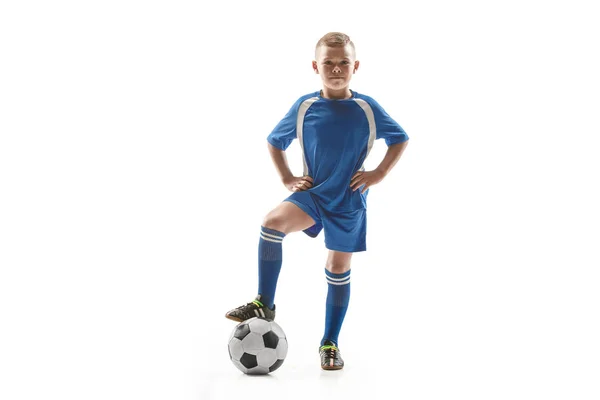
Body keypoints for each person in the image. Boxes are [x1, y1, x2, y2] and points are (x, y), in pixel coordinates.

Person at [225, 32, 409, 370]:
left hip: (348, 202)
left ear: (355, 66)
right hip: (313, 195)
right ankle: (264, 302)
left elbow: (400, 138)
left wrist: (379, 173)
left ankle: (330, 343)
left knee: (337, 268)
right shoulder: (305, 106)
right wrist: (286, 178)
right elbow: (274, 142)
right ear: (315, 66)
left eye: (343, 63)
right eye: (328, 63)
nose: (336, 69)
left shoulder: (367, 108)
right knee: (272, 222)